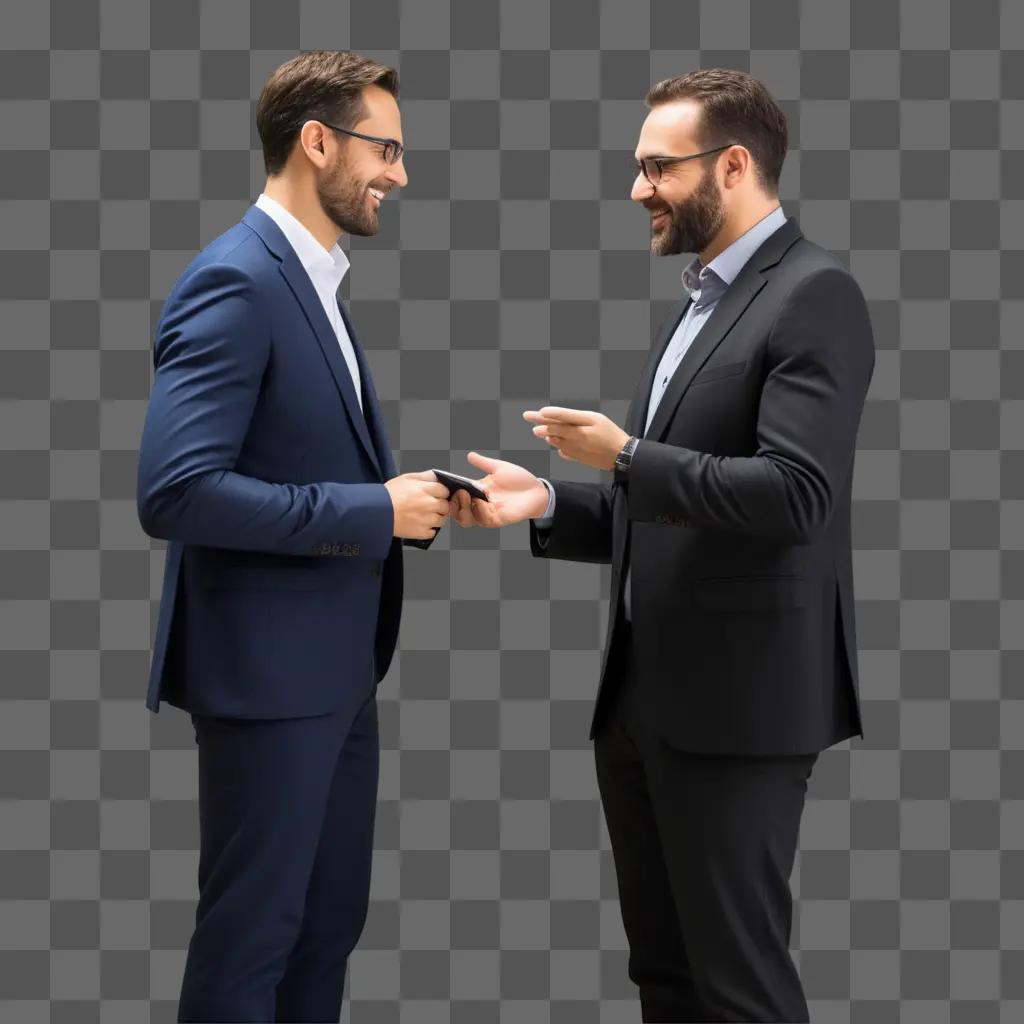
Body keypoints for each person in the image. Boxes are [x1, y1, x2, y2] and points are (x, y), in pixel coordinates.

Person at [451, 68, 875, 1022]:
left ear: (733, 164)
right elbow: (677, 508)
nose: (638, 188)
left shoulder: (815, 294)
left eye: (657, 168)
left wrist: (630, 454)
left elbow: (798, 495)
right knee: (667, 978)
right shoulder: (701, 302)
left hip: (741, 710)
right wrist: (548, 504)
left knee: (738, 986)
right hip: (644, 705)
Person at [136, 51, 454, 1022]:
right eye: (384, 148)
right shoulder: (237, 280)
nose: (398, 173)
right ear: (318, 142)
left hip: (335, 675)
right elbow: (177, 492)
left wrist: (417, 498)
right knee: (253, 939)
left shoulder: (313, 280)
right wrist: (372, 511)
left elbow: (299, 455)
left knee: (325, 925)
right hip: (267, 685)